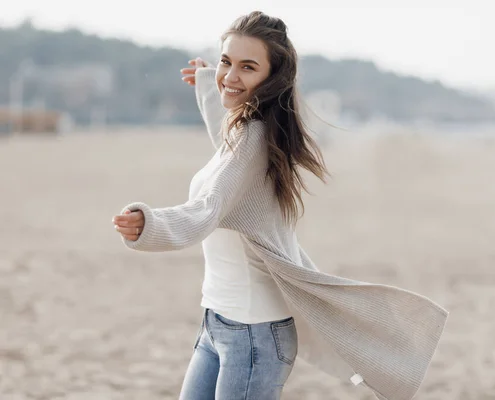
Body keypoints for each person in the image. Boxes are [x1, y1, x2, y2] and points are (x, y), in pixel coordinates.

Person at [112, 11, 448, 400]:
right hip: (217, 323)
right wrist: (209, 84)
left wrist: (151, 225)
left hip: (253, 336)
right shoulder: (248, 134)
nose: (231, 75)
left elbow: (209, 206)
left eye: (247, 67)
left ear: (270, 79)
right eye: (226, 62)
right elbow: (228, 146)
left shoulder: (254, 138)